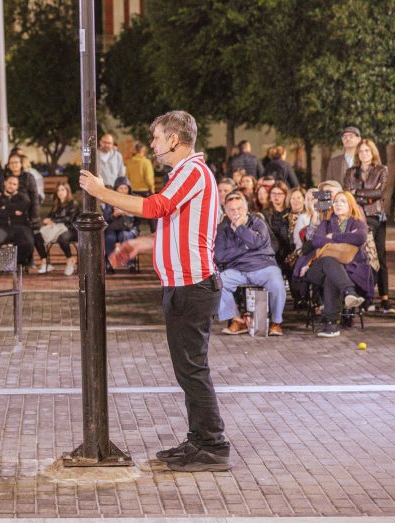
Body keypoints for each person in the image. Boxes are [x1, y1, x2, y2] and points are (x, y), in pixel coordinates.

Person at [79, 110, 230, 472]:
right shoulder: (185, 174)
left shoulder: (192, 171)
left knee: (192, 370)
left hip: (192, 285)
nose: (153, 144)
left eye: (158, 137)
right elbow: (178, 229)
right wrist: (141, 244)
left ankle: (212, 446)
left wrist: (101, 192)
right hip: (185, 285)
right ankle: (199, 440)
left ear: (174, 139)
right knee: (188, 370)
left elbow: (156, 207)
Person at [294, 191, 373, 337]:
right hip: (318, 268)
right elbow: (317, 241)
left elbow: (360, 237)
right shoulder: (326, 223)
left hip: (347, 269)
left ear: (350, 205)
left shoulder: (358, 223)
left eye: (343, 201)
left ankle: (332, 325)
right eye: (336, 201)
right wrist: (346, 238)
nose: (338, 204)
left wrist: (332, 236)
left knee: (332, 273)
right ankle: (349, 292)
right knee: (329, 261)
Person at [215, 193, 286, 336]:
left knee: (277, 283)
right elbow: (220, 256)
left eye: (239, 208)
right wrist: (245, 248)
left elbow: (256, 242)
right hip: (237, 269)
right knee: (217, 282)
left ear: (246, 209)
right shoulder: (222, 229)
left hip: (263, 266)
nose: (236, 212)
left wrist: (240, 228)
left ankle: (276, 322)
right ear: (226, 212)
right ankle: (237, 320)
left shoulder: (258, 223)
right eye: (231, 210)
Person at [343, 138, 389, 312]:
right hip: (356, 217)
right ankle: (365, 294)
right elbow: (348, 194)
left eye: (367, 151)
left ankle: (384, 297)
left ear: (373, 152)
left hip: (375, 217)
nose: (364, 154)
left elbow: (379, 193)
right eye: (361, 151)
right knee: (365, 255)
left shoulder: (381, 170)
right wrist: (365, 196)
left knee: (380, 256)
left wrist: (357, 193)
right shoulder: (350, 172)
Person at [0, 175, 35, 268]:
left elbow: (24, 205)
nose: (11, 186)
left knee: (28, 242)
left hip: (20, 227)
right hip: (3, 228)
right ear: (5, 183)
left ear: (17, 186)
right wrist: (13, 212)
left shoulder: (23, 197)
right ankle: (2, 262)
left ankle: (17, 262)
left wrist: (5, 207)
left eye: (14, 184)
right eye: (10, 183)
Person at [39, 182, 80, 275]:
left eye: (62, 190)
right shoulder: (56, 204)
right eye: (58, 190)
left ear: (67, 191)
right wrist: (47, 220)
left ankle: (69, 260)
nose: (60, 192)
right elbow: (50, 216)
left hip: (72, 229)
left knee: (62, 238)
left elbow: (69, 219)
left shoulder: (73, 203)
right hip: (58, 229)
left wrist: (53, 221)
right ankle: (46, 262)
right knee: (38, 235)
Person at [103, 177, 138, 273]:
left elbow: (140, 216)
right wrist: (114, 214)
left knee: (125, 236)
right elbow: (105, 218)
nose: (123, 191)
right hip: (113, 227)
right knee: (109, 238)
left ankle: (131, 263)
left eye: (125, 188)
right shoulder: (110, 199)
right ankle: (110, 263)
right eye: (121, 188)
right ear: (116, 189)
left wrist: (128, 212)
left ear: (129, 189)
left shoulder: (134, 199)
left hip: (129, 228)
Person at [126, 142, 157, 232]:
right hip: (145, 190)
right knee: (151, 213)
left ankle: (134, 231)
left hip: (133, 191)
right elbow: (149, 178)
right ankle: (154, 232)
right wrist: (152, 189)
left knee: (135, 214)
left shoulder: (130, 162)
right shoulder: (146, 162)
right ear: (143, 151)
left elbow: (127, 177)